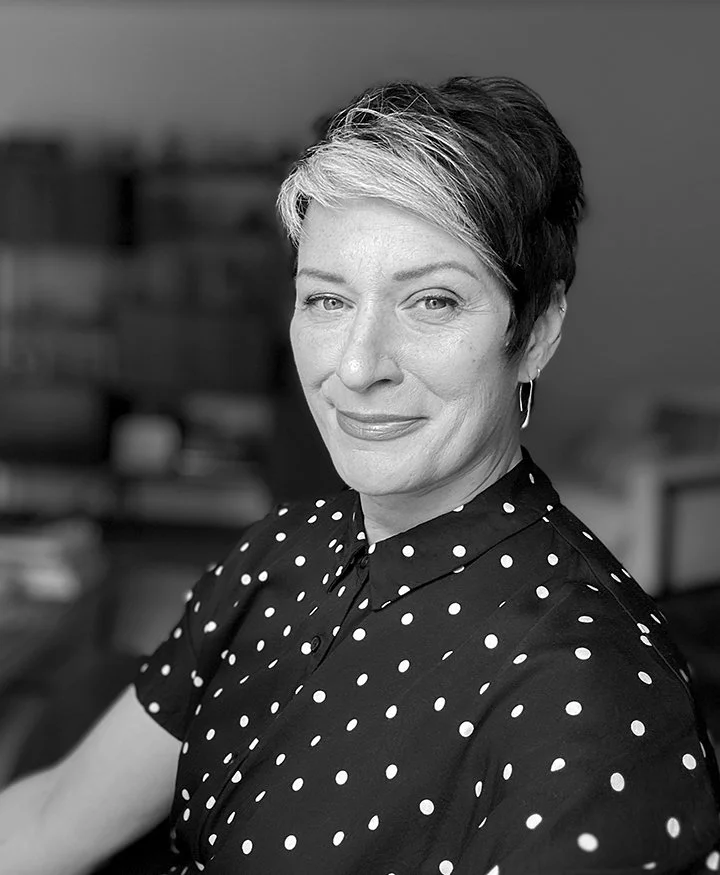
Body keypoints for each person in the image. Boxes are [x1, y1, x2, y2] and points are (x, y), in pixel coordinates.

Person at [1, 75, 719, 875]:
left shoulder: (592, 697)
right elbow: (57, 815)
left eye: (433, 302)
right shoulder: (276, 556)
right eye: (328, 300)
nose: (357, 365)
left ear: (537, 330)